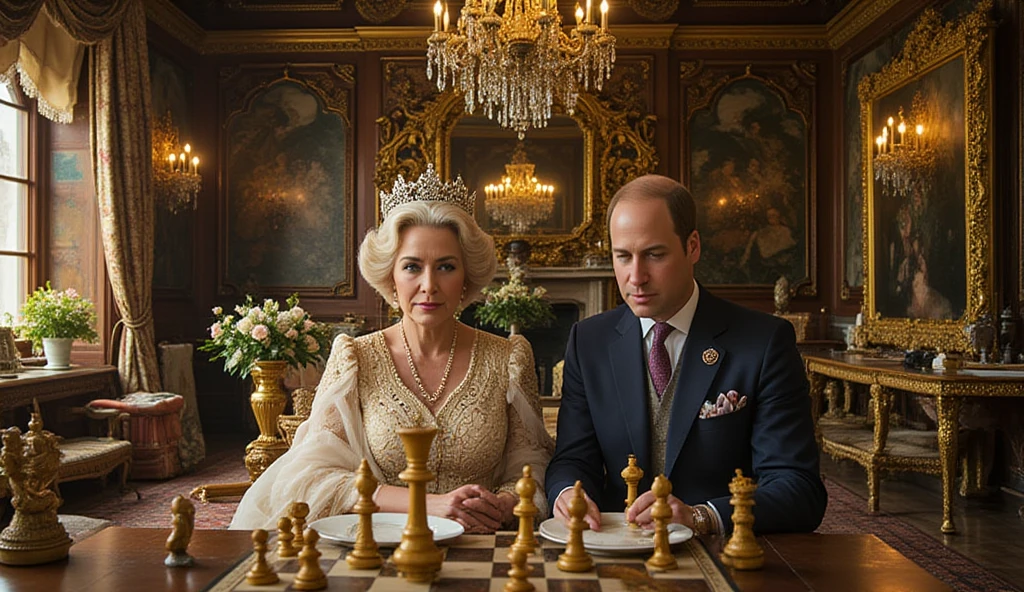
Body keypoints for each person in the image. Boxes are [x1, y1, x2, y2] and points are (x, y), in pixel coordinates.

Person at [231, 165, 554, 532]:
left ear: (466, 277)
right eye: (412, 267)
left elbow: (531, 465)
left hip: (482, 541)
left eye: (446, 267)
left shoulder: (509, 358)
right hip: (382, 542)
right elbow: (314, 476)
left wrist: (505, 502)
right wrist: (432, 506)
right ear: (390, 276)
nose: (429, 285)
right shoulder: (356, 357)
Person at [545, 174, 826, 536]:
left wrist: (702, 516)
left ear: (692, 246)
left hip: (724, 556)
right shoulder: (589, 340)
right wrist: (568, 493)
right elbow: (572, 458)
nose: (636, 277)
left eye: (654, 255)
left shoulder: (764, 342)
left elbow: (799, 488)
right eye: (622, 257)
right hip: (613, 553)